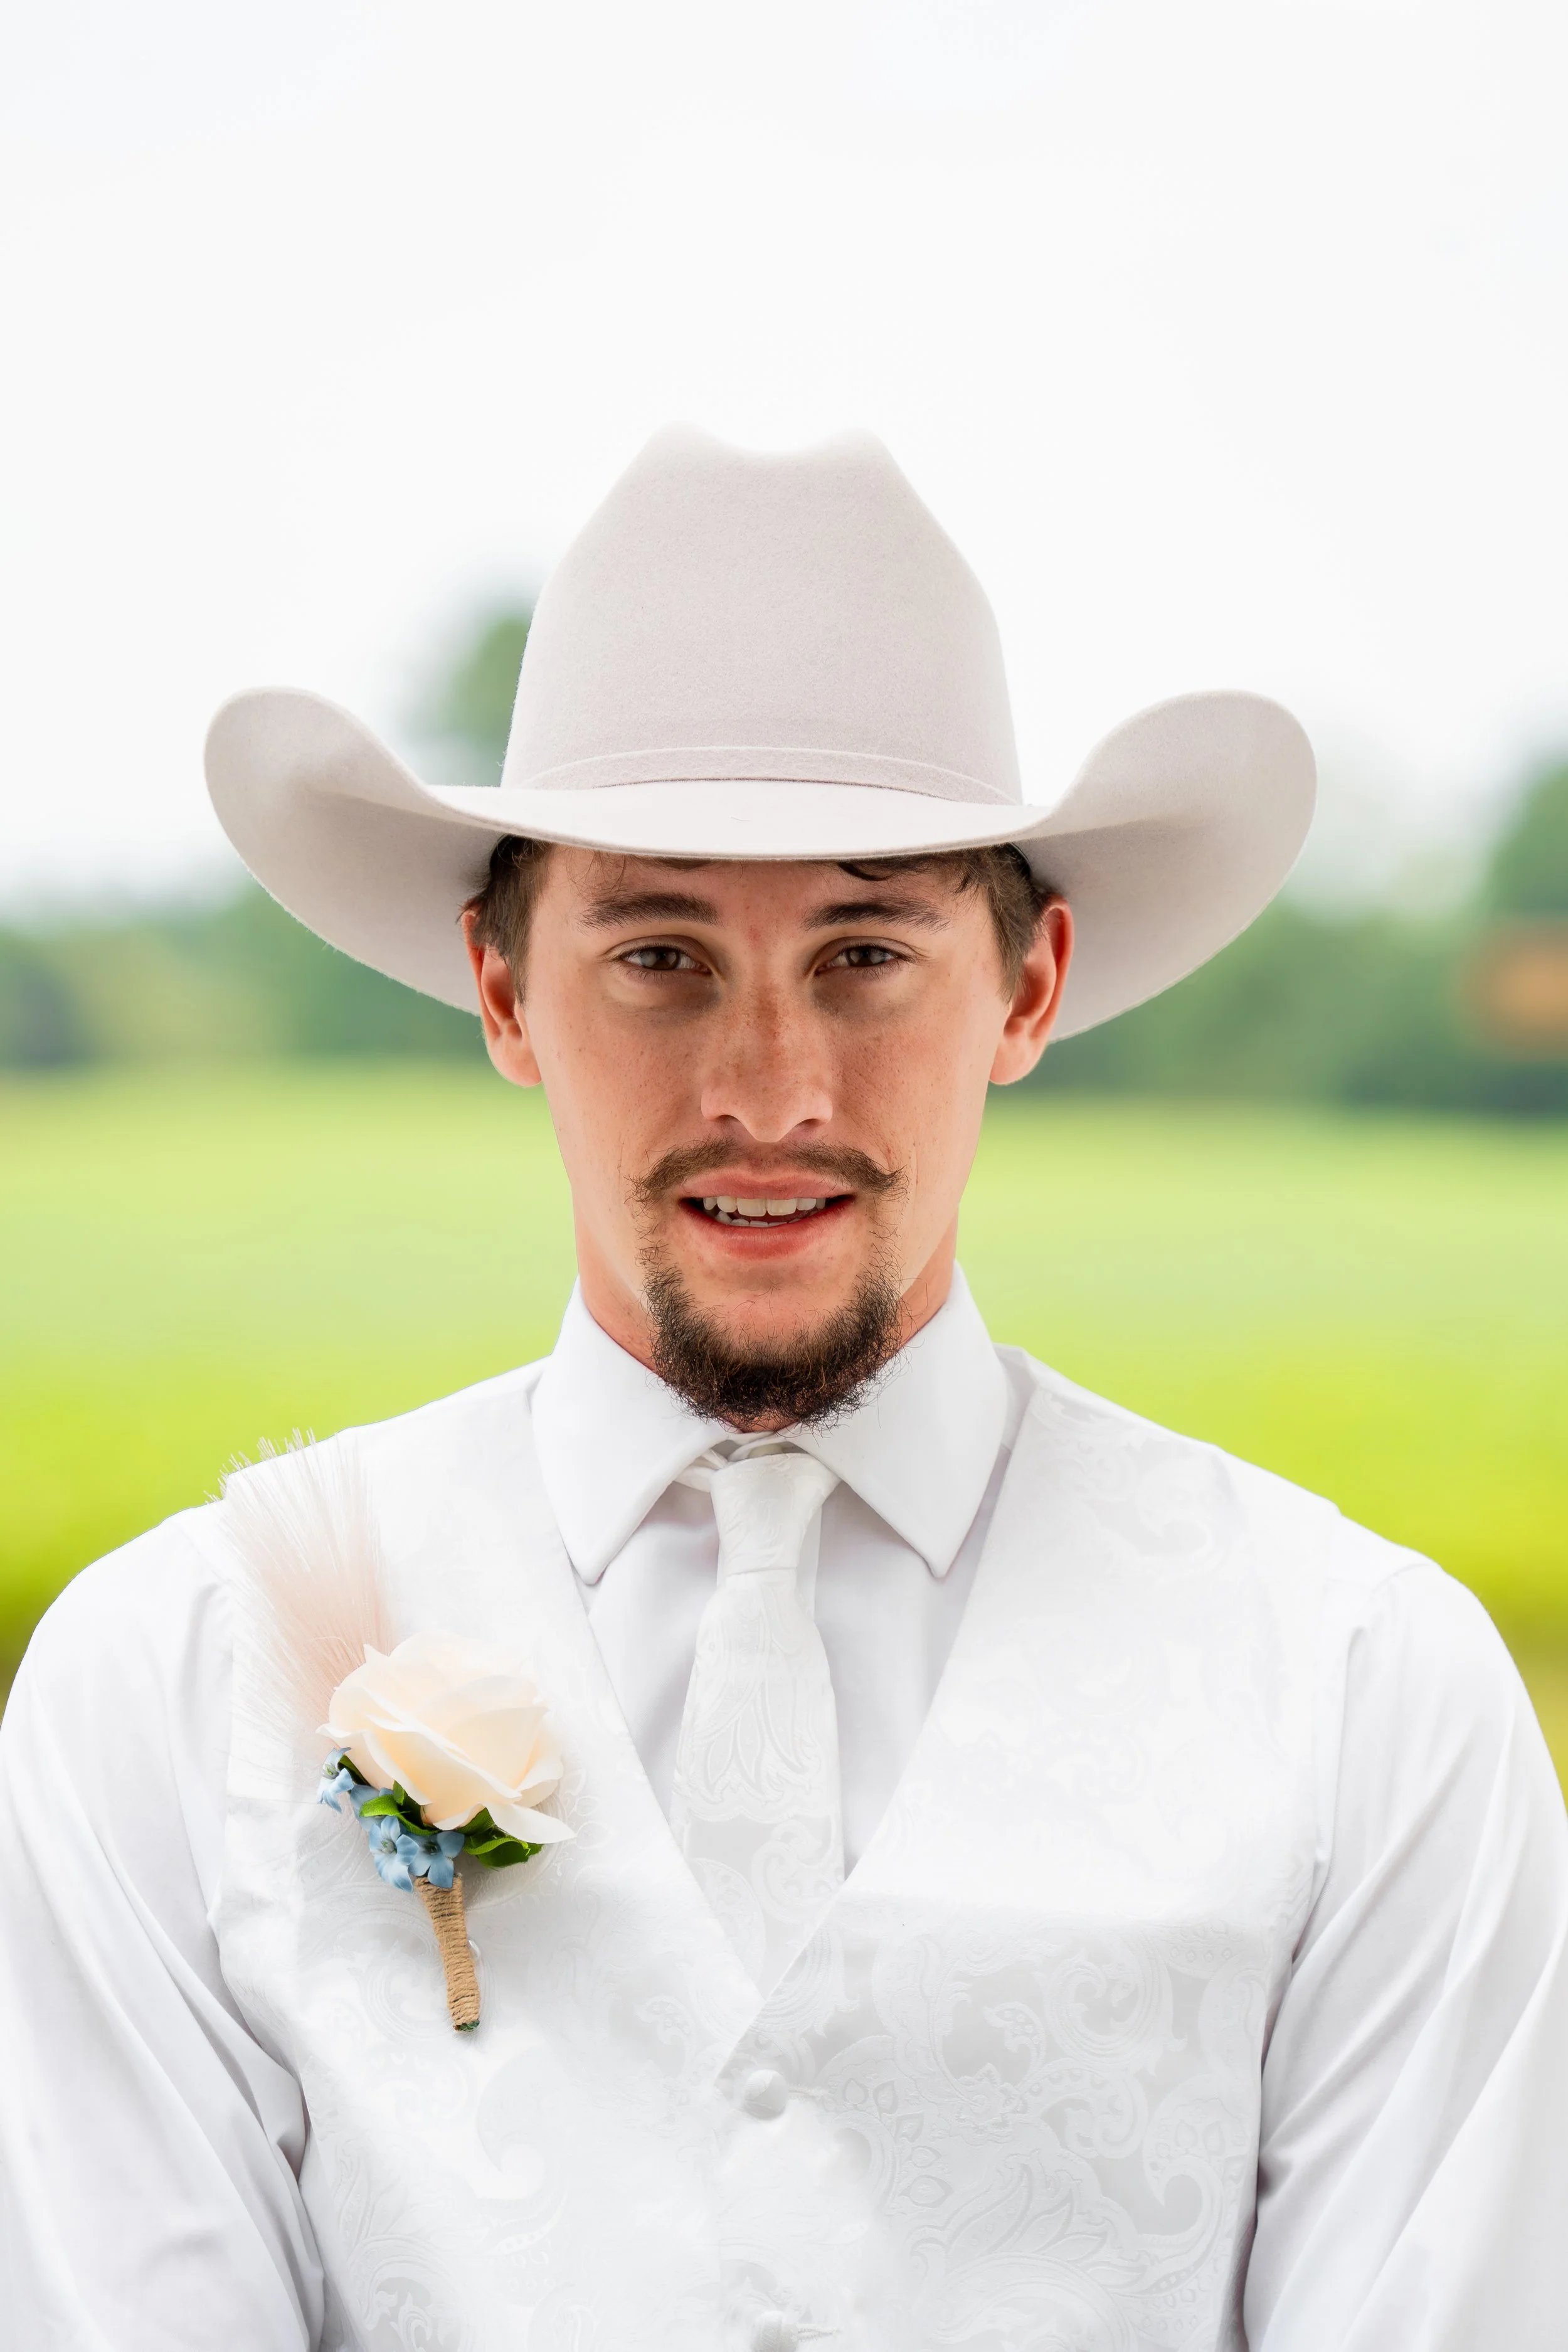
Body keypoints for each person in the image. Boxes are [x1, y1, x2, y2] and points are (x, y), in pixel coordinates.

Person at [2, 428, 1564, 2352]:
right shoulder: (163, 1687)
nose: (769, 1088)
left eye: (866, 952)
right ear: (500, 987)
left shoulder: (1364, 1694)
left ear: (1026, 986)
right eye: (659, 953)